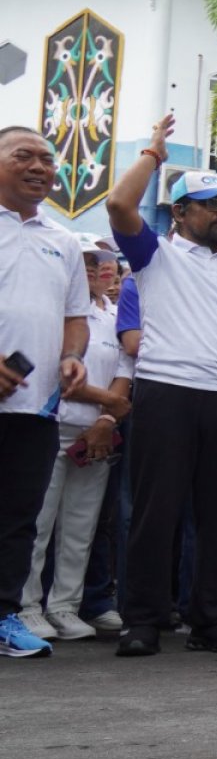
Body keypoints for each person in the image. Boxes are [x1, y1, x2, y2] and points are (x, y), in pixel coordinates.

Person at [106, 116, 217, 657]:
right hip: (164, 393)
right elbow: (117, 206)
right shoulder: (154, 255)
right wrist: (153, 156)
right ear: (179, 212)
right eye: (211, 204)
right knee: (155, 513)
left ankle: (212, 621)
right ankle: (143, 620)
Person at [0, 126, 91, 659]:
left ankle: (5, 615)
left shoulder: (63, 241)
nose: (39, 167)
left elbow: (74, 318)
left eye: (47, 160)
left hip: (35, 407)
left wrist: (72, 355)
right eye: (23, 156)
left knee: (17, 519)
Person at [16, 247, 133, 641]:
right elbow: (61, 375)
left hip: (96, 435)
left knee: (81, 528)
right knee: (38, 526)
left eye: (101, 266)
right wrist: (110, 403)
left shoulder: (111, 315)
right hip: (54, 426)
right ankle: (27, 605)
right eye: (85, 264)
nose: (97, 271)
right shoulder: (60, 317)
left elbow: (124, 371)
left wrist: (106, 419)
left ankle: (65, 605)